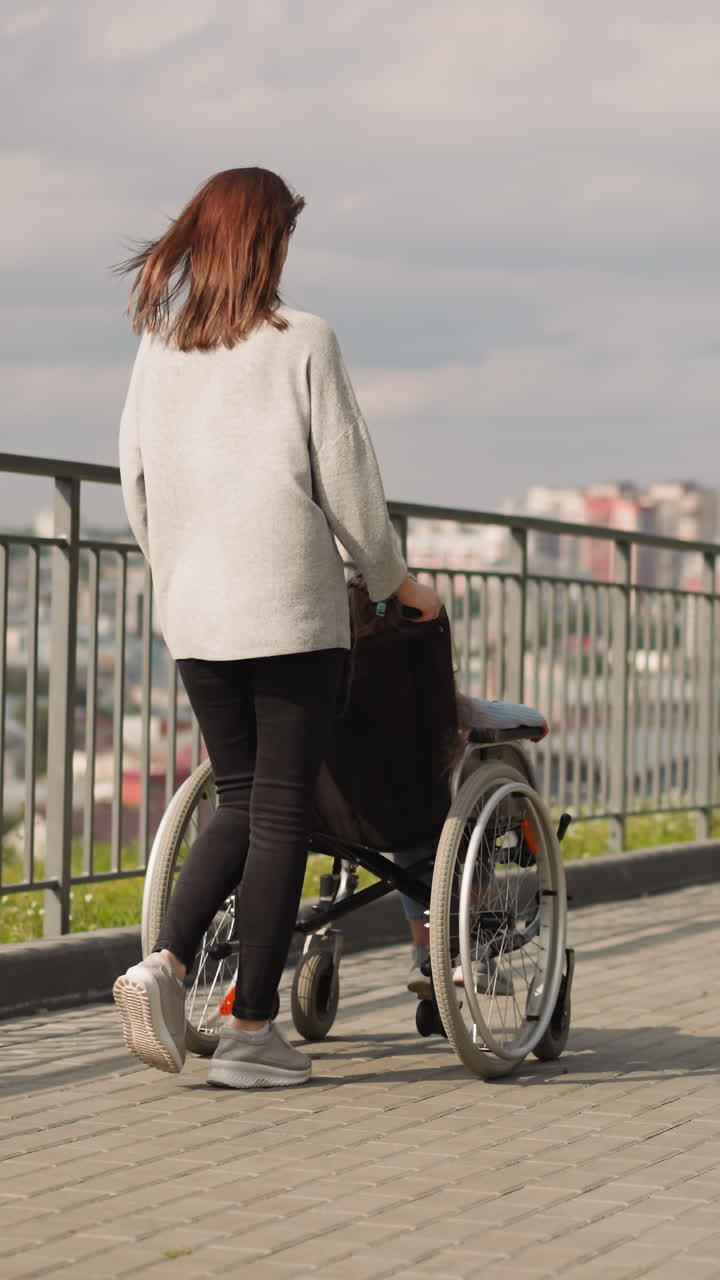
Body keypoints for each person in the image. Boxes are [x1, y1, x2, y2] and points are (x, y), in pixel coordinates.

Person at [112, 167, 442, 1089]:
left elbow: (136, 483)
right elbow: (349, 482)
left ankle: (165, 961)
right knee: (283, 809)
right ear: (269, 242)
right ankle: (252, 1030)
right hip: (288, 608)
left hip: (195, 610)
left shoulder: (160, 345)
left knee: (242, 793)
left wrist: (177, 571)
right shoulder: (305, 339)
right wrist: (393, 582)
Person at [314, 576, 548, 1000]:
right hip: (412, 815)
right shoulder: (423, 677)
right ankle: (458, 949)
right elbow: (486, 715)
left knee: (407, 814)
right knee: (460, 824)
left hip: (328, 816)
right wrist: (531, 719)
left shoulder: (322, 677)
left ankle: (424, 948)